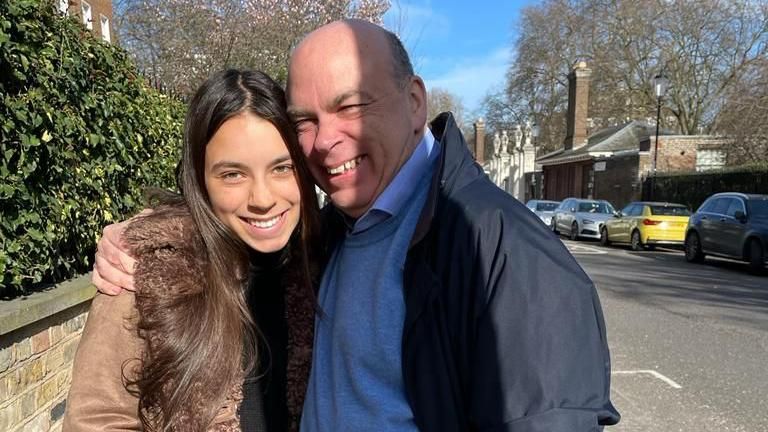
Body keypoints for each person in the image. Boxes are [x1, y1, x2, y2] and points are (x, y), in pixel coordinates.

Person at [93, 20, 620, 431]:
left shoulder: (500, 251)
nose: (326, 140)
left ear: (415, 102)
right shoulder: (335, 231)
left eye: (352, 107)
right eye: (306, 120)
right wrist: (148, 237)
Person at [64, 69, 319, 431]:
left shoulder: (325, 261)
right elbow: (97, 419)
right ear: (200, 180)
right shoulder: (145, 274)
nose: (262, 199)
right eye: (233, 174)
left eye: (282, 168)